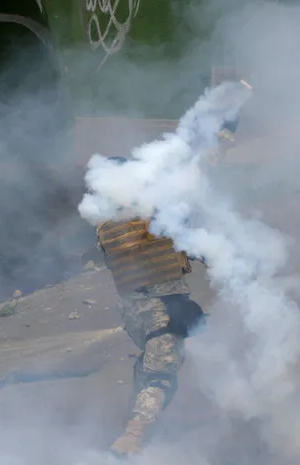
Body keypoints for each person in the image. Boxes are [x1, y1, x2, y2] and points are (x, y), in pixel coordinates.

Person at [96, 156, 206, 456]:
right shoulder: (157, 217)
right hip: (163, 311)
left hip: (135, 312)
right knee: (161, 375)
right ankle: (131, 438)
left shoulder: (105, 226)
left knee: (149, 364)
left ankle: (137, 426)